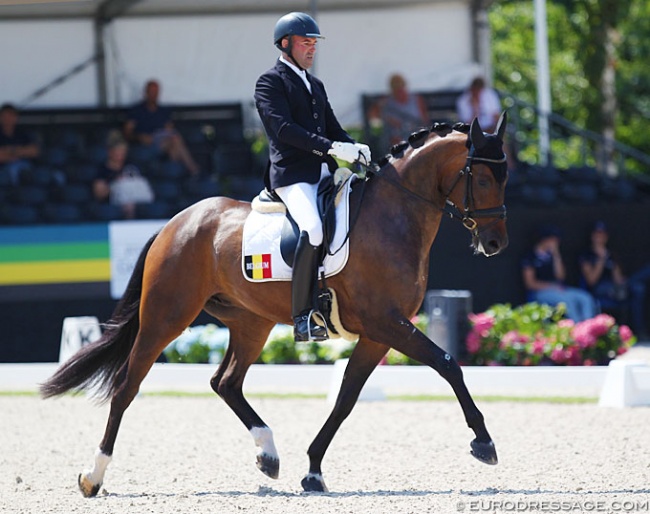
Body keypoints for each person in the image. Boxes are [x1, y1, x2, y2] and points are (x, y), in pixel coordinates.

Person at [254, 12, 371, 342]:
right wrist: (332, 147)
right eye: (305, 43)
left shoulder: (314, 84)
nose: (311, 49)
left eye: (313, 43)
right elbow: (284, 130)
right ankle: (303, 315)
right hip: (293, 177)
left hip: (325, 174)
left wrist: (353, 147)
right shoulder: (270, 82)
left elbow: (332, 127)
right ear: (285, 44)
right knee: (314, 230)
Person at [579, 220, 650, 337]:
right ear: (592, 236)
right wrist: (601, 259)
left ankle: (639, 331)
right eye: (597, 234)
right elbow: (591, 281)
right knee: (633, 285)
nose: (600, 238)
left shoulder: (610, 253)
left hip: (617, 287)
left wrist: (610, 260)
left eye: (603, 235)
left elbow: (618, 279)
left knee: (638, 289)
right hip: (599, 289)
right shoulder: (586, 255)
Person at [521, 224, 598, 322]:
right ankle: (577, 330)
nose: (555, 242)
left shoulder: (553, 255)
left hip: (559, 289)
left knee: (585, 298)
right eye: (552, 239)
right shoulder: (530, 256)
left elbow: (561, 277)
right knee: (566, 301)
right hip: (540, 292)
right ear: (544, 239)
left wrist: (556, 254)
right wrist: (551, 286)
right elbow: (530, 284)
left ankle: (589, 326)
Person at [123, 79, 199, 175]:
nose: (153, 95)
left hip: (162, 142)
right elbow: (127, 133)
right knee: (175, 142)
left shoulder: (163, 111)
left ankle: (174, 173)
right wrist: (139, 137)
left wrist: (166, 133)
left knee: (174, 141)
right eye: (151, 92)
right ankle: (192, 170)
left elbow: (169, 129)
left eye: (156, 92)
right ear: (145, 93)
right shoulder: (136, 111)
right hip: (144, 144)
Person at [92, 130, 154, 219]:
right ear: (110, 152)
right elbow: (99, 193)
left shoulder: (131, 166)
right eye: (118, 151)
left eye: (122, 151)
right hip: (114, 203)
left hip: (136, 199)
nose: (120, 154)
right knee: (128, 206)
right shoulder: (103, 170)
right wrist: (114, 184)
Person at [371, 73, 429, 147]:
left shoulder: (416, 100)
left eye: (401, 87)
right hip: (396, 136)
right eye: (396, 88)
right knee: (395, 141)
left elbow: (424, 120)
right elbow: (373, 117)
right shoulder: (387, 103)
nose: (399, 91)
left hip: (415, 132)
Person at [0, 103, 40, 184]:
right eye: (5, 116)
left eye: (11, 116)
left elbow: (34, 151)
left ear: (16, 118)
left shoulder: (22, 133)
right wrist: (20, 152)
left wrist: (11, 151)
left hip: (24, 166)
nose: (8, 119)